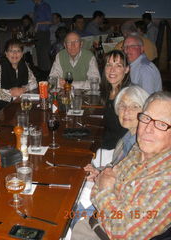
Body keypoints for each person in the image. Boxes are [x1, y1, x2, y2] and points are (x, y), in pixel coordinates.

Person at [72, 91, 171, 240]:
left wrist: (105, 189)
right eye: (146, 118)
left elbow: (122, 232)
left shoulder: (166, 180)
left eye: (162, 124)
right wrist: (104, 185)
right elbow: (103, 182)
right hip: (91, 223)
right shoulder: (139, 149)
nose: (148, 129)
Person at [72, 86, 149, 228]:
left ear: (145, 111)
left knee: (69, 207)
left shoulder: (143, 145)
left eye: (134, 106)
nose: (126, 111)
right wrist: (99, 171)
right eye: (122, 106)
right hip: (107, 190)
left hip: (116, 208)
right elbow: (117, 168)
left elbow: (128, 187)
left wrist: (101, 178)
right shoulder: (128, 136)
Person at [0, 39, 38, 114]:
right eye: (11, 51)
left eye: (18, 51)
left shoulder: (24, 65)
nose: (15, 54)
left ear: (22, 54)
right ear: (6, 53)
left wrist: (22, 89)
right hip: (0, 109)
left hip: (18, 106)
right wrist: (11, 94)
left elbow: (34, 82)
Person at [100, 50, 131, 150]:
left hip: (116, 151)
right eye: (108, 65)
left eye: (118, 66)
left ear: (126, 69)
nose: (112, 70)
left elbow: (126, 136)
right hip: (105, 144)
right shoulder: (109, 92)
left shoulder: (127, 97)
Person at [32, 0, 52, 72]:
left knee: (44, 53)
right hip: (38, 33)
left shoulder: (45, 6)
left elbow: (50, 21)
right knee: (39, 53)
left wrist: (38, 24)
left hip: (44, 32)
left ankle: (47, 72)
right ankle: (41, 73)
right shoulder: (36, 7)